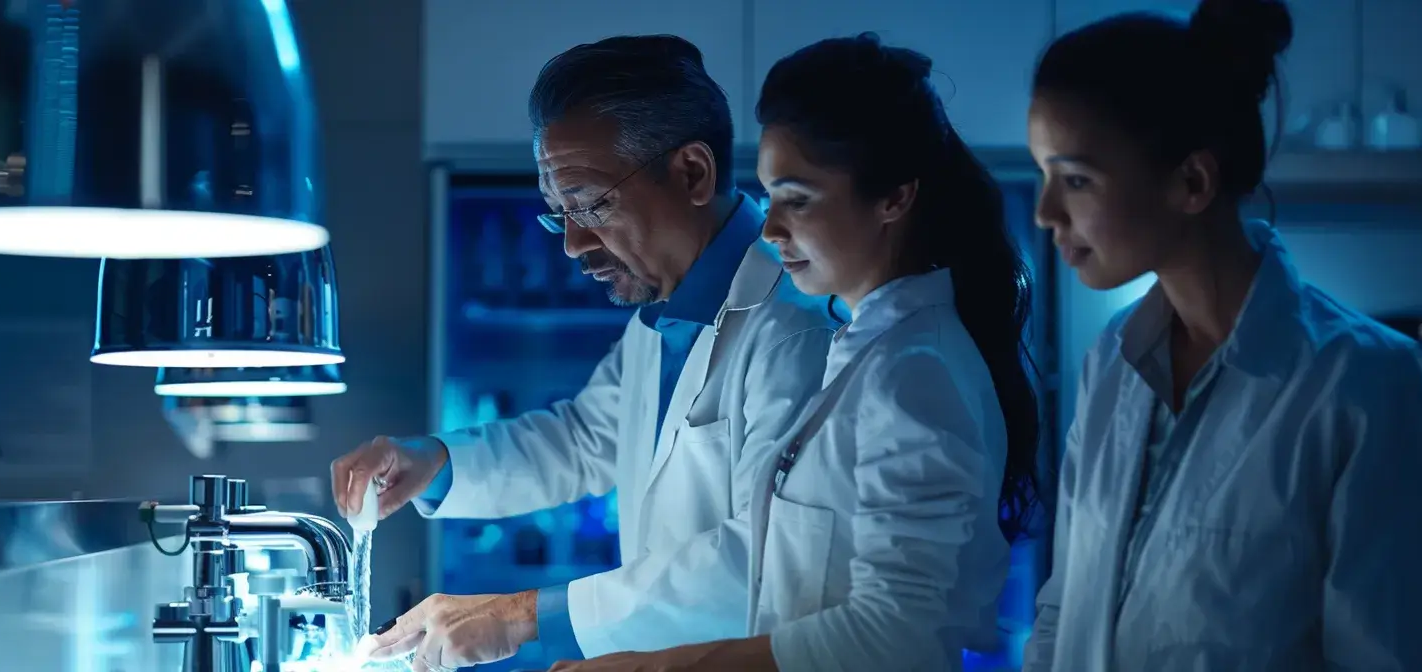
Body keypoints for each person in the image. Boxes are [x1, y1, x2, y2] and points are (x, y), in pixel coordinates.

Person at [334, 34, 840, 671]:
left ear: (692, 173)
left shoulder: (797, 330)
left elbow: (765, 568)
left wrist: (521, 614)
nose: (573, 244)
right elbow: (584, 437)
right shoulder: (663, 314)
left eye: (591, 205)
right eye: (558, 214)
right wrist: (435, 461)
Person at [543, 33, 1042, 672]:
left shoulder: (917, 371)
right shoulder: (868, 354)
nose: (772, 228)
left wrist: (651, 667)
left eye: (797, 200)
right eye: (771, 197)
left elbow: (897, 635)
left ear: (894, 197)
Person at [1022, 1, 1422, 669]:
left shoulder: (1360, 388)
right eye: (1043, 175)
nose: (1045, 212)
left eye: (1076, 180)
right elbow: (1062, 613)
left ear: (1192, 181)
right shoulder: (1111, 362)